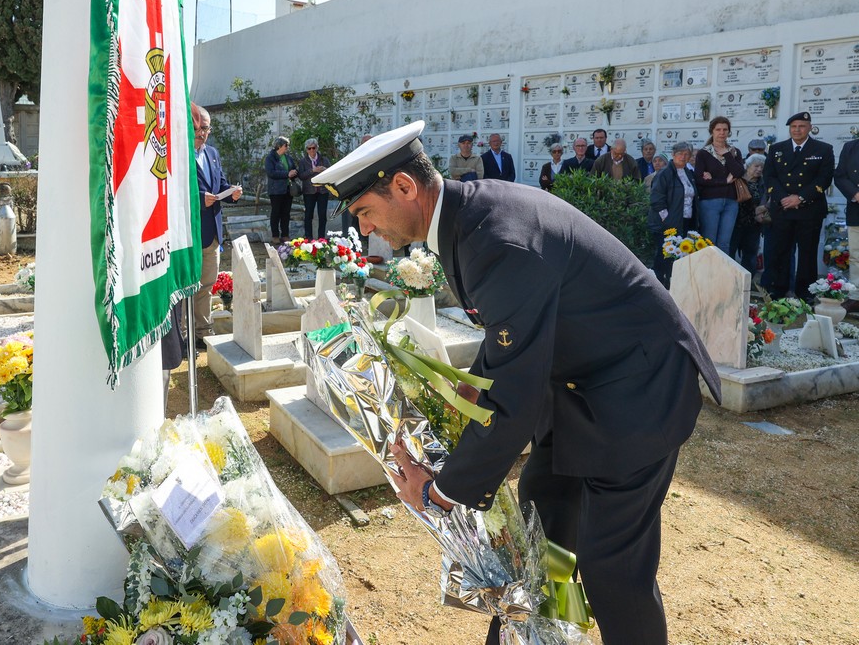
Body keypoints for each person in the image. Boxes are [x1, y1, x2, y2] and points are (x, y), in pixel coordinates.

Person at [312, 121, 721, 645]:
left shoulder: (496, 237)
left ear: (405, 188)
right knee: (545, 526)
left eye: (365, 211)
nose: (365, 229)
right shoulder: (466, 219)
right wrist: (471, 386)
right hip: (581, 387)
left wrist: (440, 492)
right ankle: (550, 635)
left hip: (637, 393)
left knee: (611, 566)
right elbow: (513, 327)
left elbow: (516, 398)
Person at [162, 104, 242, 400]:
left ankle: (202, 334)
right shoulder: (175, 152)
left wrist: (230, 192)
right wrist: (200, 198)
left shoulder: (212, 153)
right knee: (185, 287)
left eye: (206, 129)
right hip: (188, 234)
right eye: (198, 129)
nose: (202, 134)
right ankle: (180, 338)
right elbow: (173, 190)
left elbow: (218, 184)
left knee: (207, 284)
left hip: (212, 232)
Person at [763, 111, 835, 302]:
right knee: (781, 251)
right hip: (782, 208)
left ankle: (806, 292)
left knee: (808, 253)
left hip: (809, 210)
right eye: (793, 126)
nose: (797, 130)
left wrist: (800, 198)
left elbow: (824, 179)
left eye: (801, 126)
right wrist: (783, 198)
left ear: (809, 127)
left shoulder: (823, 149)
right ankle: (778, 290)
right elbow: (769, 176)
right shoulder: (777, 149)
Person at [648, 142, 698, 289]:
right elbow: (656, 199)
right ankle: (657, 286)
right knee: (664, 256)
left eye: (687, 154)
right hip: (666, 224)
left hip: (685, 220)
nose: (683, 157)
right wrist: (667, 219)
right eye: (680, 154)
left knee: (678, 257)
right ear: (673, 155)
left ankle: (674, 286)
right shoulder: (664, 173)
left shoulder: (689, 173)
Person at [694, 117, 745, 256]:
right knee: (709, 242)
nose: (721, 133)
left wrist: (727, 155)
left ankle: (722, 276)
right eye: (718, 129)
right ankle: (706, 275)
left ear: (729, 132)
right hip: (710, 202)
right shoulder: (704, 153)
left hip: (731, 202)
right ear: (712, 131)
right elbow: (699, 179)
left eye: (725, 130)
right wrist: (725, 181)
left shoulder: (734, 152)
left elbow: (739, 172)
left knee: (724, 243)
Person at [832, 131, 859, 315]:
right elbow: (840, 176)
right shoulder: (850, 147)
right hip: (857, 208)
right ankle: (856, 297)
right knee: (857, 256)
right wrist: (855, 194)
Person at [729, 153, 766, 278]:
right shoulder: (738, 180)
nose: (759, 169)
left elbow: (767, 199)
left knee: (750, 254)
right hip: (735, 222)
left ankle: (748, 281)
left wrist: (762, 209)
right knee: (730, 252)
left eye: (762, 167)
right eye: (756, 166)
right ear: (748, 166)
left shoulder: (763, 183)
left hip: (754, 225)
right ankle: (731, 278)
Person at [264, 136, 298, 244]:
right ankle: (275, 235)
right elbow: (271, 173)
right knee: (276, 213)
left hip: (287, 190)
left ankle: (285, 234)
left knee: (286, 213)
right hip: (276, 190)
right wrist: (286, 174)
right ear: (279, 146)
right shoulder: (270, 158)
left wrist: (294, 172)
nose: (287, 147)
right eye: (286, 145)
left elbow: (293, 167)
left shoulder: (287, 157)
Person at [297, 138, 331, 240]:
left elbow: (331, 173)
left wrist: (325, 170)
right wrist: (312, 170)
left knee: (322, 215)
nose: (312, 150)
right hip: (309, 192)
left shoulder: (324, 160)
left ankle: (321, 237)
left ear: (317, 148)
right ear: (306, 150)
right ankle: (309, 237)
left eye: (314, 148)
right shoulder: (303, 161)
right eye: (309, 148)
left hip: (322, 191)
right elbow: (301, 176)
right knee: (308, 215)